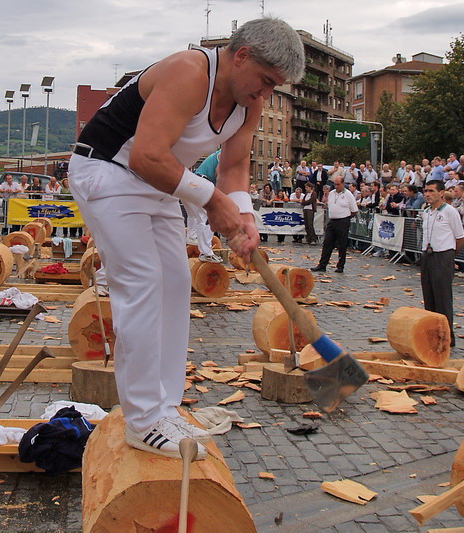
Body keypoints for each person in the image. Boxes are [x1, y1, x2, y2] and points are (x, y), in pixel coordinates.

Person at [67, 17, 304, 460]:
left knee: (175, 284)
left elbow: (233, 169)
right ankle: (141, 420)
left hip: (158, 179)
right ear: (241, 56)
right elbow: (145, 154)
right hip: (107, 170)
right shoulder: (189, 72)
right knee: (142, 283)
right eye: (266, 82)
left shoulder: (248, 103)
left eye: (276, 87)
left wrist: (245, 217)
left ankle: (164, 407)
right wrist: (213, 203)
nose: (266, 95)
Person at [419, 181, 464, 346]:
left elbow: (459, 237)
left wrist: (450, 255)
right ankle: (432, 333)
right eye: (425, 191)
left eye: (431, 191)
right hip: (427, 255)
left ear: (441, 193)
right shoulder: (426, 212)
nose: (427, 194)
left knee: (443, 297)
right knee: (429, 296)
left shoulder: (450, 212)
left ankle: (447, 336)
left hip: (443, 255)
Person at [311, 176, 357, 272]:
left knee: (342, 244)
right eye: (335, 184)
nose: (336, 186)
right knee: (327, 243)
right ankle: (322, 264)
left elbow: (354, 210)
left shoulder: (348, 194)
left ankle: (340, 266)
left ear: (343, 184)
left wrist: (346, 217)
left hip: (343, 220)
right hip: (332, 221)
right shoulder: (331, 194)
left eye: (338, 184)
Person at [187, 150, 223, 262]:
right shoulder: (226, 153)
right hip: (203, 182)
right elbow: (219, 174)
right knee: (208, 218)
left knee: (194, 215)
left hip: (191, 181)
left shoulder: (217, 153)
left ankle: (191, 237)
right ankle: (206, 253)